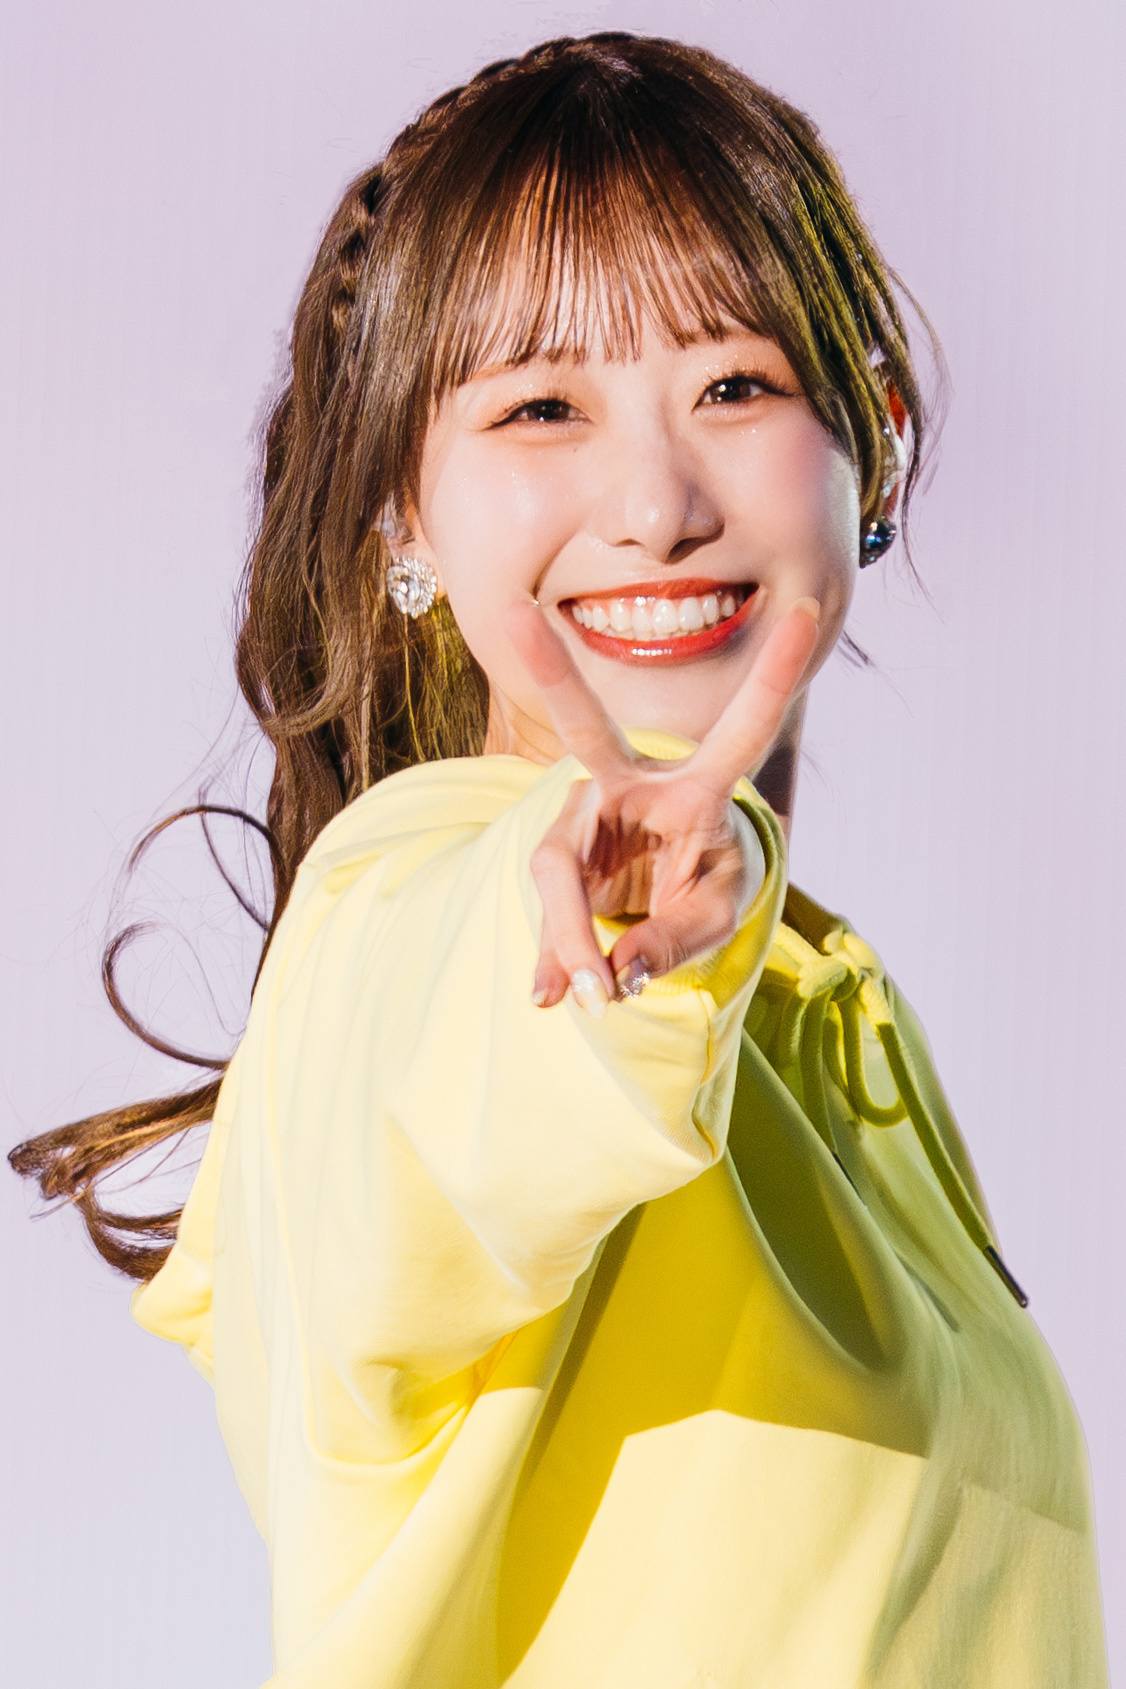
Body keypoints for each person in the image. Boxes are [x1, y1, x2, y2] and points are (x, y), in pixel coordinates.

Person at [11, 31, 1107, 1689]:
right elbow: (472, 1067)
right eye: (539, 407)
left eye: (732, 385)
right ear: (399, 509)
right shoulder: (408, 908)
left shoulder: (817, 1004)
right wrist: (596, 945)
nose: (654, 502)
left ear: (867, 439)